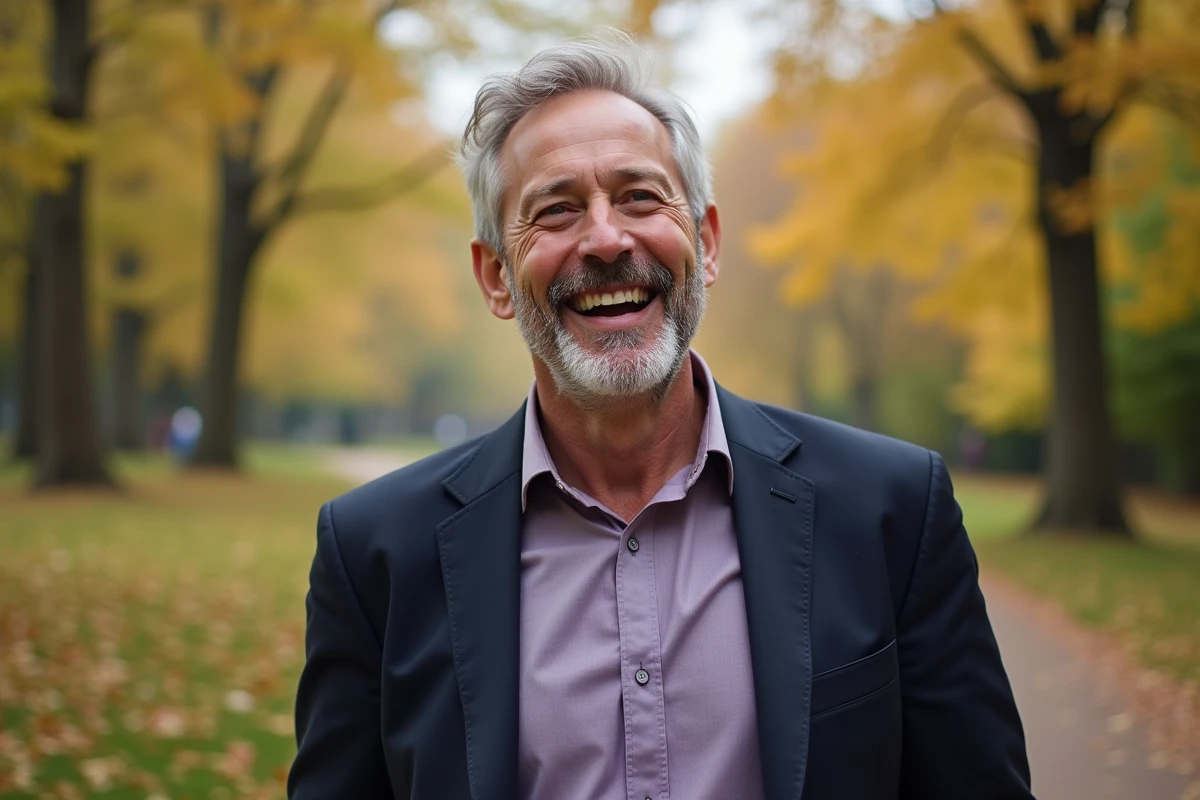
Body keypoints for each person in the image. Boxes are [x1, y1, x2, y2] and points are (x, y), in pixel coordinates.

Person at [288, 35, 1033, 800]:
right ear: (496, 277)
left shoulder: (892, 512)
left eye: (640, 196)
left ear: (705, 244)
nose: (607, 238)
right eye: (556, 210)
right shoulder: (375, 554)